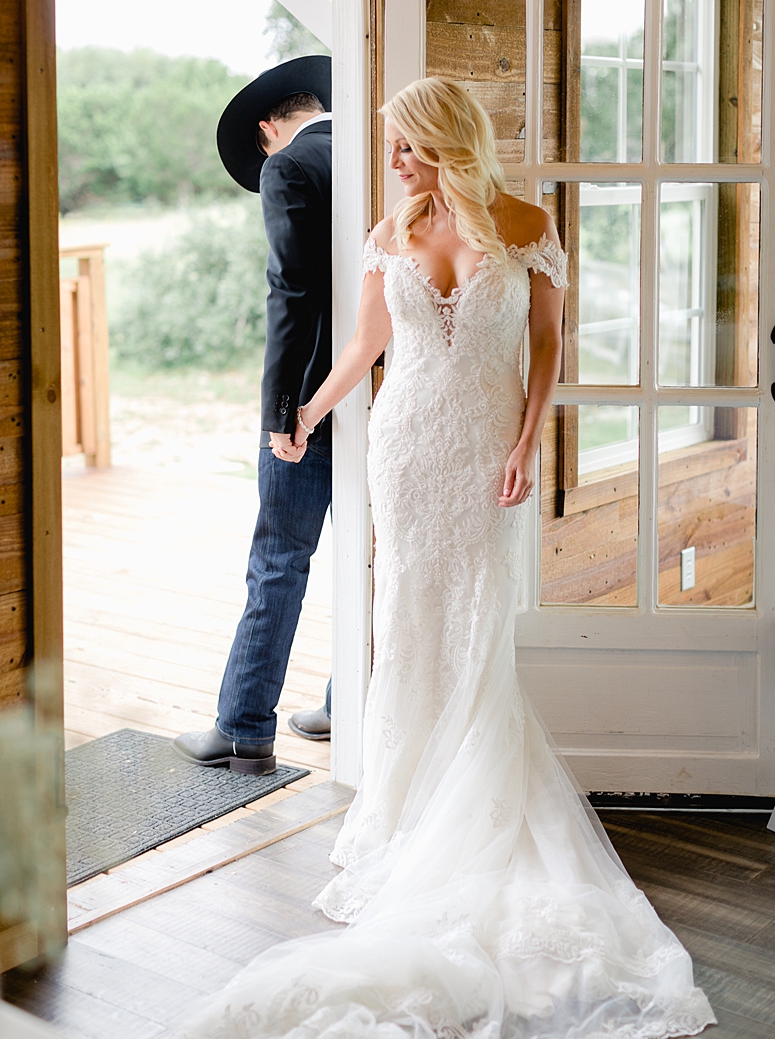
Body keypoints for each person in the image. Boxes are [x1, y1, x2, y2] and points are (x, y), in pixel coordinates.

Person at [175, 78, 715, 1038]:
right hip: (408, 444)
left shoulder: (527, 224)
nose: (392, 164)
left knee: (477, 623)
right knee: (407, 620)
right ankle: (400, 808)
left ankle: (464, 812)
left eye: (406, 149)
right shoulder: (391, 234)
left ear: (448, 144)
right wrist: (304, 409)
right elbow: (368, 344)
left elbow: (546, 346)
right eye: (391, 149)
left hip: (485, 447)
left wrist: (529, 442)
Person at [173, 55, 334, 775]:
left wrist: (281, 413)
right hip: (394, 389)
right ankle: (347, 702)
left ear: (269, 127)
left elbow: (292, 295)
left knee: (279, 556)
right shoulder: (380, 150)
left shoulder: (291, 166)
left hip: (316, 400)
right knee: (380, 558)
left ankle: (243, 728)